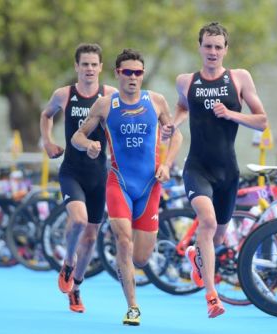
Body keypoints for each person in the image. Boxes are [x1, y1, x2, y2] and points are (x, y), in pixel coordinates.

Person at [71, 48, 182, 326]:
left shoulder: (156, 101)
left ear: (142, 75)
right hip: (118, 182)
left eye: (138, 73)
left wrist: (167, 164)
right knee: (123, 240)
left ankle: (155, 257)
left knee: (142, 259)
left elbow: (176, 135)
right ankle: (132, 306)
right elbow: (77, 136)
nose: (133, 77)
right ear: (117, 74)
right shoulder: (104, 105)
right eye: (128, 72)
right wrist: (89, 145)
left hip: (149, 185)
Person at [165, 22, 268, 318]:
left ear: (226, 50)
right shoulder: (185, 80)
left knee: (218, 236)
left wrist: (231, 113)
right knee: (207, 223)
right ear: (199, 48)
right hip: (197, 167)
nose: (212, 51)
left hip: (228, 171)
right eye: (207, 46)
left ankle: (197, 255)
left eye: (218, 47)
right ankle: (212, 296)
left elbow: (262, 120)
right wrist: (174, 123)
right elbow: (183, 107)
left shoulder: (239, 78)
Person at [40, 43, 117, 313]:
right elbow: (46, 115)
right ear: (76, 67)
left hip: (100, 174)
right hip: (72, 170)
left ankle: (77, 287)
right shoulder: (64, 95)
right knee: (78, 221)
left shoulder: (110, 95)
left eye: (94, 64)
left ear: (101, 68)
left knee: (91, 237)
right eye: (84, 64)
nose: (89, 69)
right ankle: (68, 261)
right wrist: (48, 142)